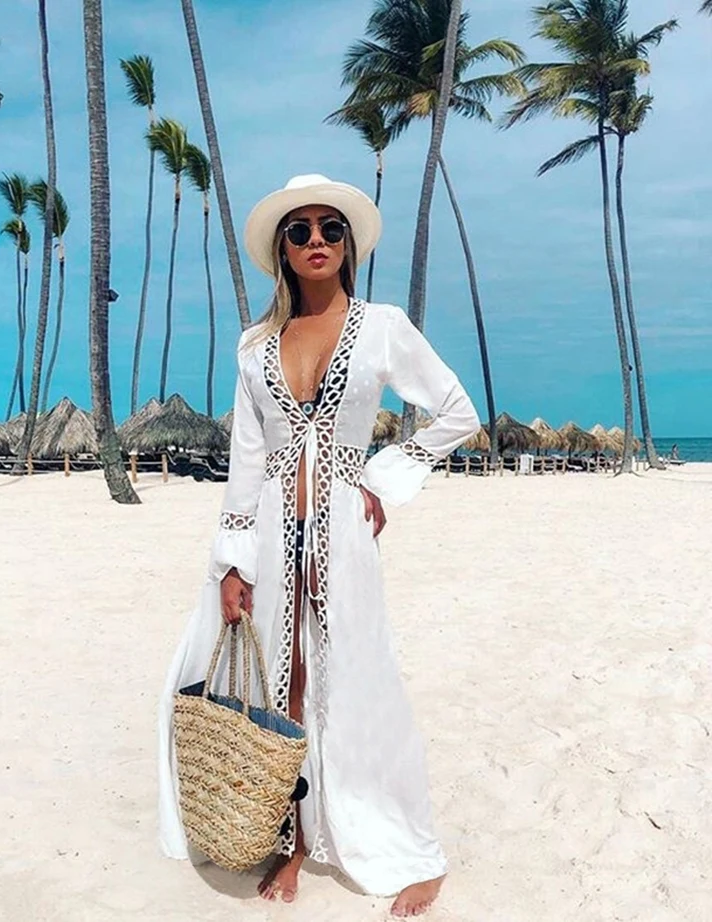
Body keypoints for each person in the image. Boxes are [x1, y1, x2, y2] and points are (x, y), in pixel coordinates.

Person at [157, 174, 480, 917]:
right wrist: (232, 563)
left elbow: (456, 411)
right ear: (282, 248)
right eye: (298, 230)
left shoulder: (382, 326)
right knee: (284, 681)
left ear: (347, 244)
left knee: (362, 677)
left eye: (329, 228)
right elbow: (246, 458)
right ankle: (293, 839)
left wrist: (382, 477)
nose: (315, 241)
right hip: (271, 532)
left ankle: (410, 849)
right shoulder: (255, 345)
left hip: (343, 534)